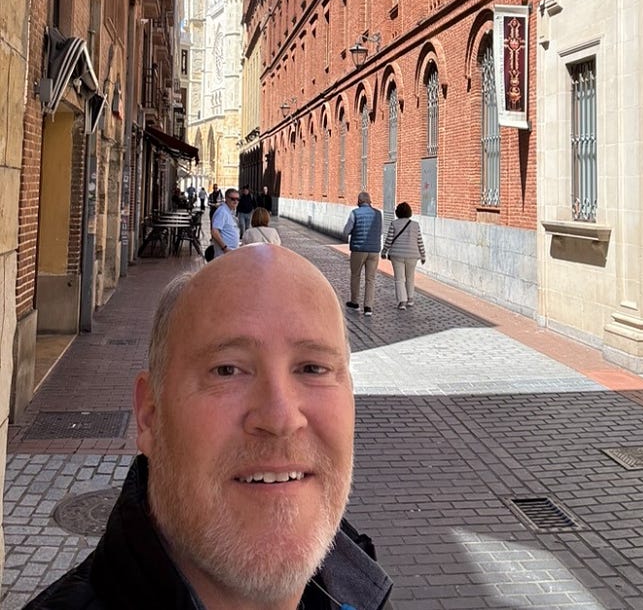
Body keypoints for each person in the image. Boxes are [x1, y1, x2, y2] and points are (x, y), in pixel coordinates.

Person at [22, 245, 393, 609]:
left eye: (313, 368)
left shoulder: (361, 589)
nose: (280, 418)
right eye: (227, 370)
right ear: (150, 414)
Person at [342, 191, 383, 316]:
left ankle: (355, 302)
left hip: (358, 249)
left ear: (359, 201)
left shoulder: (354, 213)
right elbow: (380, 232)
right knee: (371, 278)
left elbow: (346, 231)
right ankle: (368, 307)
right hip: (374, 251)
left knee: (356, 275)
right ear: (369, 201)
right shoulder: (378, 214)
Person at [381, 202, 426, 311]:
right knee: (410, 277)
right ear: (409, 212)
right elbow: (419, 241)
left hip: (397, 254)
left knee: (399, 278)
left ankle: (402, 302)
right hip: (412, 255)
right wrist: (423, 255)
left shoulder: (394, 224)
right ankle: (410, 298)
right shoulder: (415, 225)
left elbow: (389, 239)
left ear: (397, 212)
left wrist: (384, 250)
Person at [209, 189, 241, 258]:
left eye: (238, 199)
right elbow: (215, 232)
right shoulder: (222, 212)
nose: (236, 201)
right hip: (224, 254)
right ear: (226, 198)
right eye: (233, 199)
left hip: (230, 253)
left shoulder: (229, 211)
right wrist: (225, 248)